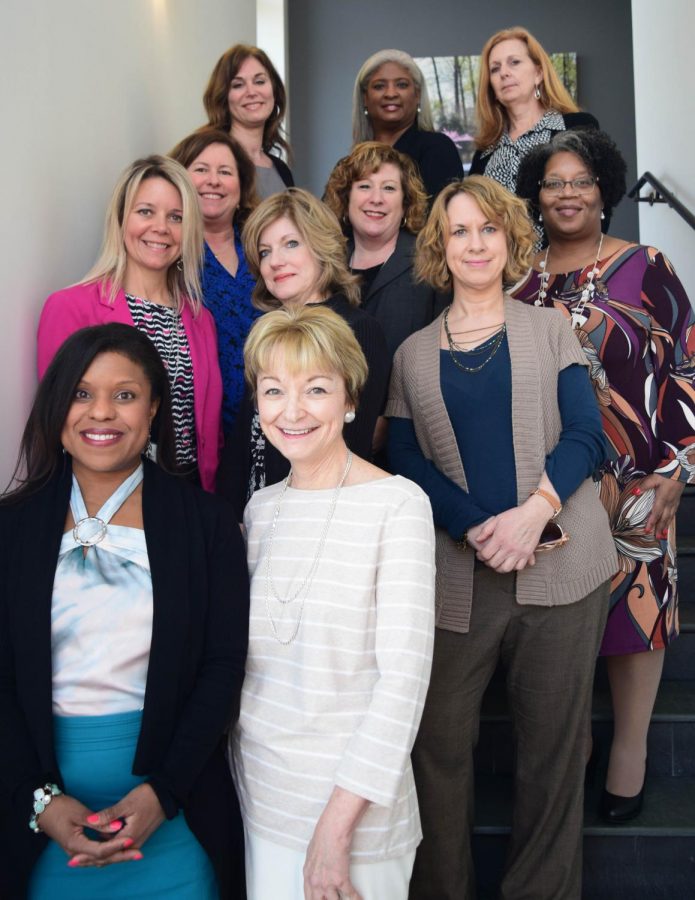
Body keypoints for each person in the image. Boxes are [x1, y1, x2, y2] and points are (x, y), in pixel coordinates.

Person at [386, 176, 617, 899]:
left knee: (551, 756)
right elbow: (404, 462)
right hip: (458, 582)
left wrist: (530, 514)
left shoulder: (551, 330)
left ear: (509, 239)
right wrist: (474, 526)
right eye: (459, 231)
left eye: (488, 229)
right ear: (440, 247)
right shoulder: (411, 354)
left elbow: (586, 435)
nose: (475, 243)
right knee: (437, 750)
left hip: (561, 572)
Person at [0, 324, 249, 900]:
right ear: (57, 405)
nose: (101, 413)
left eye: (125, 395)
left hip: (177, 818)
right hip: (42, 831)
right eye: (82, 393)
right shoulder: (11, 528)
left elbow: (222, 667)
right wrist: (41, 803)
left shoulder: (206, 524)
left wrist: (163, 793)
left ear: (155, 407)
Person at [513, 128, 695, 823]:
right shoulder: (517, 281)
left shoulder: (645, 264)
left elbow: (684, 363)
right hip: (549, 481)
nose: (566, 193)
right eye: (553, 182)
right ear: (535, 195)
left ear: (603, 191)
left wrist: (678, 467)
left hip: (634, 476)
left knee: (634, 617)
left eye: (580, 181)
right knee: (559, 623)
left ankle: (630, 753)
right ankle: (575, 743)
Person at [231, 304, 435, 900]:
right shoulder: (260, 510)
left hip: (355, 819)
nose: (291, 411)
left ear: (349, 400)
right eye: (274, 390)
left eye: (314, 389)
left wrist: (334, 830)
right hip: (264, 799)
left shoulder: (398, 505)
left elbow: (403, 681)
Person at [37, 155, 223, 492]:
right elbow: (53, 423)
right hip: (102, 498)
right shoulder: (69, 308)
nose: (161, 228)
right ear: (121, 220)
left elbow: (207, 429)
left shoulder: (201, 320)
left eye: (176, 217)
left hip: (188, 493)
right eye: (146, 211)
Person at [217, 188, 390, 519]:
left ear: (321, 247)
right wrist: (230, 524)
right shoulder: (267, 331)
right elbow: (243, 440)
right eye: (265, 252)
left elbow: (351, 446)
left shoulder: (358, 329)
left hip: (317, 519)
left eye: (290, 244)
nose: (275, 261)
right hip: (255, 517)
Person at [170, 127, 260, 433]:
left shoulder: (260, 247)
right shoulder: (168, 252)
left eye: (225, 171)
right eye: (201, 169)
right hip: (200, 425)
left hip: (269, 416)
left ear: (241, 186)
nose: (213, 181)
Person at [324, 141, 444, 358]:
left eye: (389, 188)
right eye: (364, 186)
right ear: (346, 197)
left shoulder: (430, 261)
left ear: (405, 203)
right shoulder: (326, 264)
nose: (376, 199)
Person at [470, 26, 598, 197]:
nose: (504, 73)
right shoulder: (485, 150)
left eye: (514, 62)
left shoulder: (577, 127)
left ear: (538, 73)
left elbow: (596, 203)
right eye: (495, 69)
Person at [352, 49, 463, 201]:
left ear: (417, 95)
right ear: (365, 98)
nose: (391, 94)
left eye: (402, 85)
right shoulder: (353, 161)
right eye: (379, 86)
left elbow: (440, 219)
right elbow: (327, 220)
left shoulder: (438, 148)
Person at [203, 44, 294, 198]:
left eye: (259, 82)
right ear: (224, 97)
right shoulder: (211, 161)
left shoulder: (282, 170)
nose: (251, 92)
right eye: (238, 85)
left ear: (274, 90)